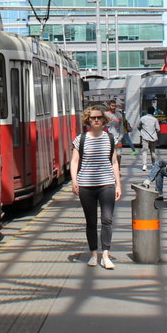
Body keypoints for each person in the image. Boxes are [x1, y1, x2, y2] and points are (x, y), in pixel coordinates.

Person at [71, 106, 123, 269]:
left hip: (107, 184)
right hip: (86, 185)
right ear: (88, 120)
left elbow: (114, 162)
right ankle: (94, 254)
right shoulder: (81, 139)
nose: (96, 120)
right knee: (91, 221)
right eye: (92, 118)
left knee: (107, 219)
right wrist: (74, 181)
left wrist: (118, 184)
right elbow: (74, 161)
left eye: (99, 118)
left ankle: (105, 255)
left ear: (103, 120)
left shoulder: (109, 139)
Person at [138, 106, 160, 172]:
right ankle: (153, 164)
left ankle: (144, 165)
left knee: (144, 151)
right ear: (153, 112)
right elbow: (158, 129)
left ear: (147, 111)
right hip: (153, 138)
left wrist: (142, 131)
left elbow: (138, 126)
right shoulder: (155, 119)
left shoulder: (142, 118)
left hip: (144, 137)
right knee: (153, 151)